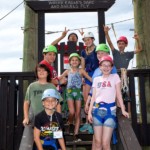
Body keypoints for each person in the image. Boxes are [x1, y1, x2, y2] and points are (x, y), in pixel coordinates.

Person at [88, 55, 129, 150]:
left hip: (110, 111)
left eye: (108, 65)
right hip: (96, 110)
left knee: (106, 143)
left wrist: (123, 109)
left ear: (111, 67)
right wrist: (89, 112)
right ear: (100, 67)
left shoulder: (115, 77)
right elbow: (93, 97)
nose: (106, 68)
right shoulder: (96, 79)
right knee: (97, 142)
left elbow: (119, 95)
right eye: (104, 65)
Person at [58, 53, 92, 141]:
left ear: (79, 62)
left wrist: (99, 82)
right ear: (69, 62)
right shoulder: (67, 71)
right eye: (72, 60)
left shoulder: (81, 71)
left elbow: (89, 78)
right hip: (69, 92)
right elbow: (59, 79)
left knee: (78, 113)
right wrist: (58, 81)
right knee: (72, 112)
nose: (74, 62)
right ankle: (69, 122)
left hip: (78, 92)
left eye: (76, 60)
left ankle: (76, 134)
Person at [80, 32, 99, 132]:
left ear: (92, 39)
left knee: (96, 98)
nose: (87, 42)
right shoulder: (83, 52)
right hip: (88, 75)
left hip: (97, 75)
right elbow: (82, 68)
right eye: (85, 40)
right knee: (86, 98)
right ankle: (88, 123)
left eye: (88, 39)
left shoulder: (97, 50)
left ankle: (95, 121)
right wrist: (84, 77)